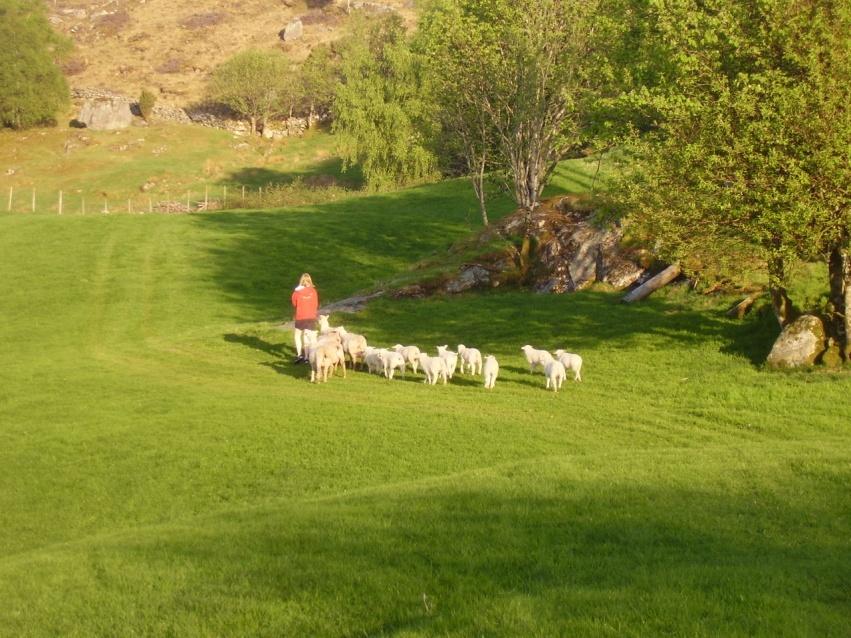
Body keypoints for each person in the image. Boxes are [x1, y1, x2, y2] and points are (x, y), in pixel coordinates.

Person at [291, 273, 319, 363]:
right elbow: (316, 304)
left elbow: (294, 303)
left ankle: (299, 354)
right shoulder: (313, 291)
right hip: (311, 316)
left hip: (300, 316)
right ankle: (307, 357)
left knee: (297, 335)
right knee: (307, 336)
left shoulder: (297, 292)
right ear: (310, 281)